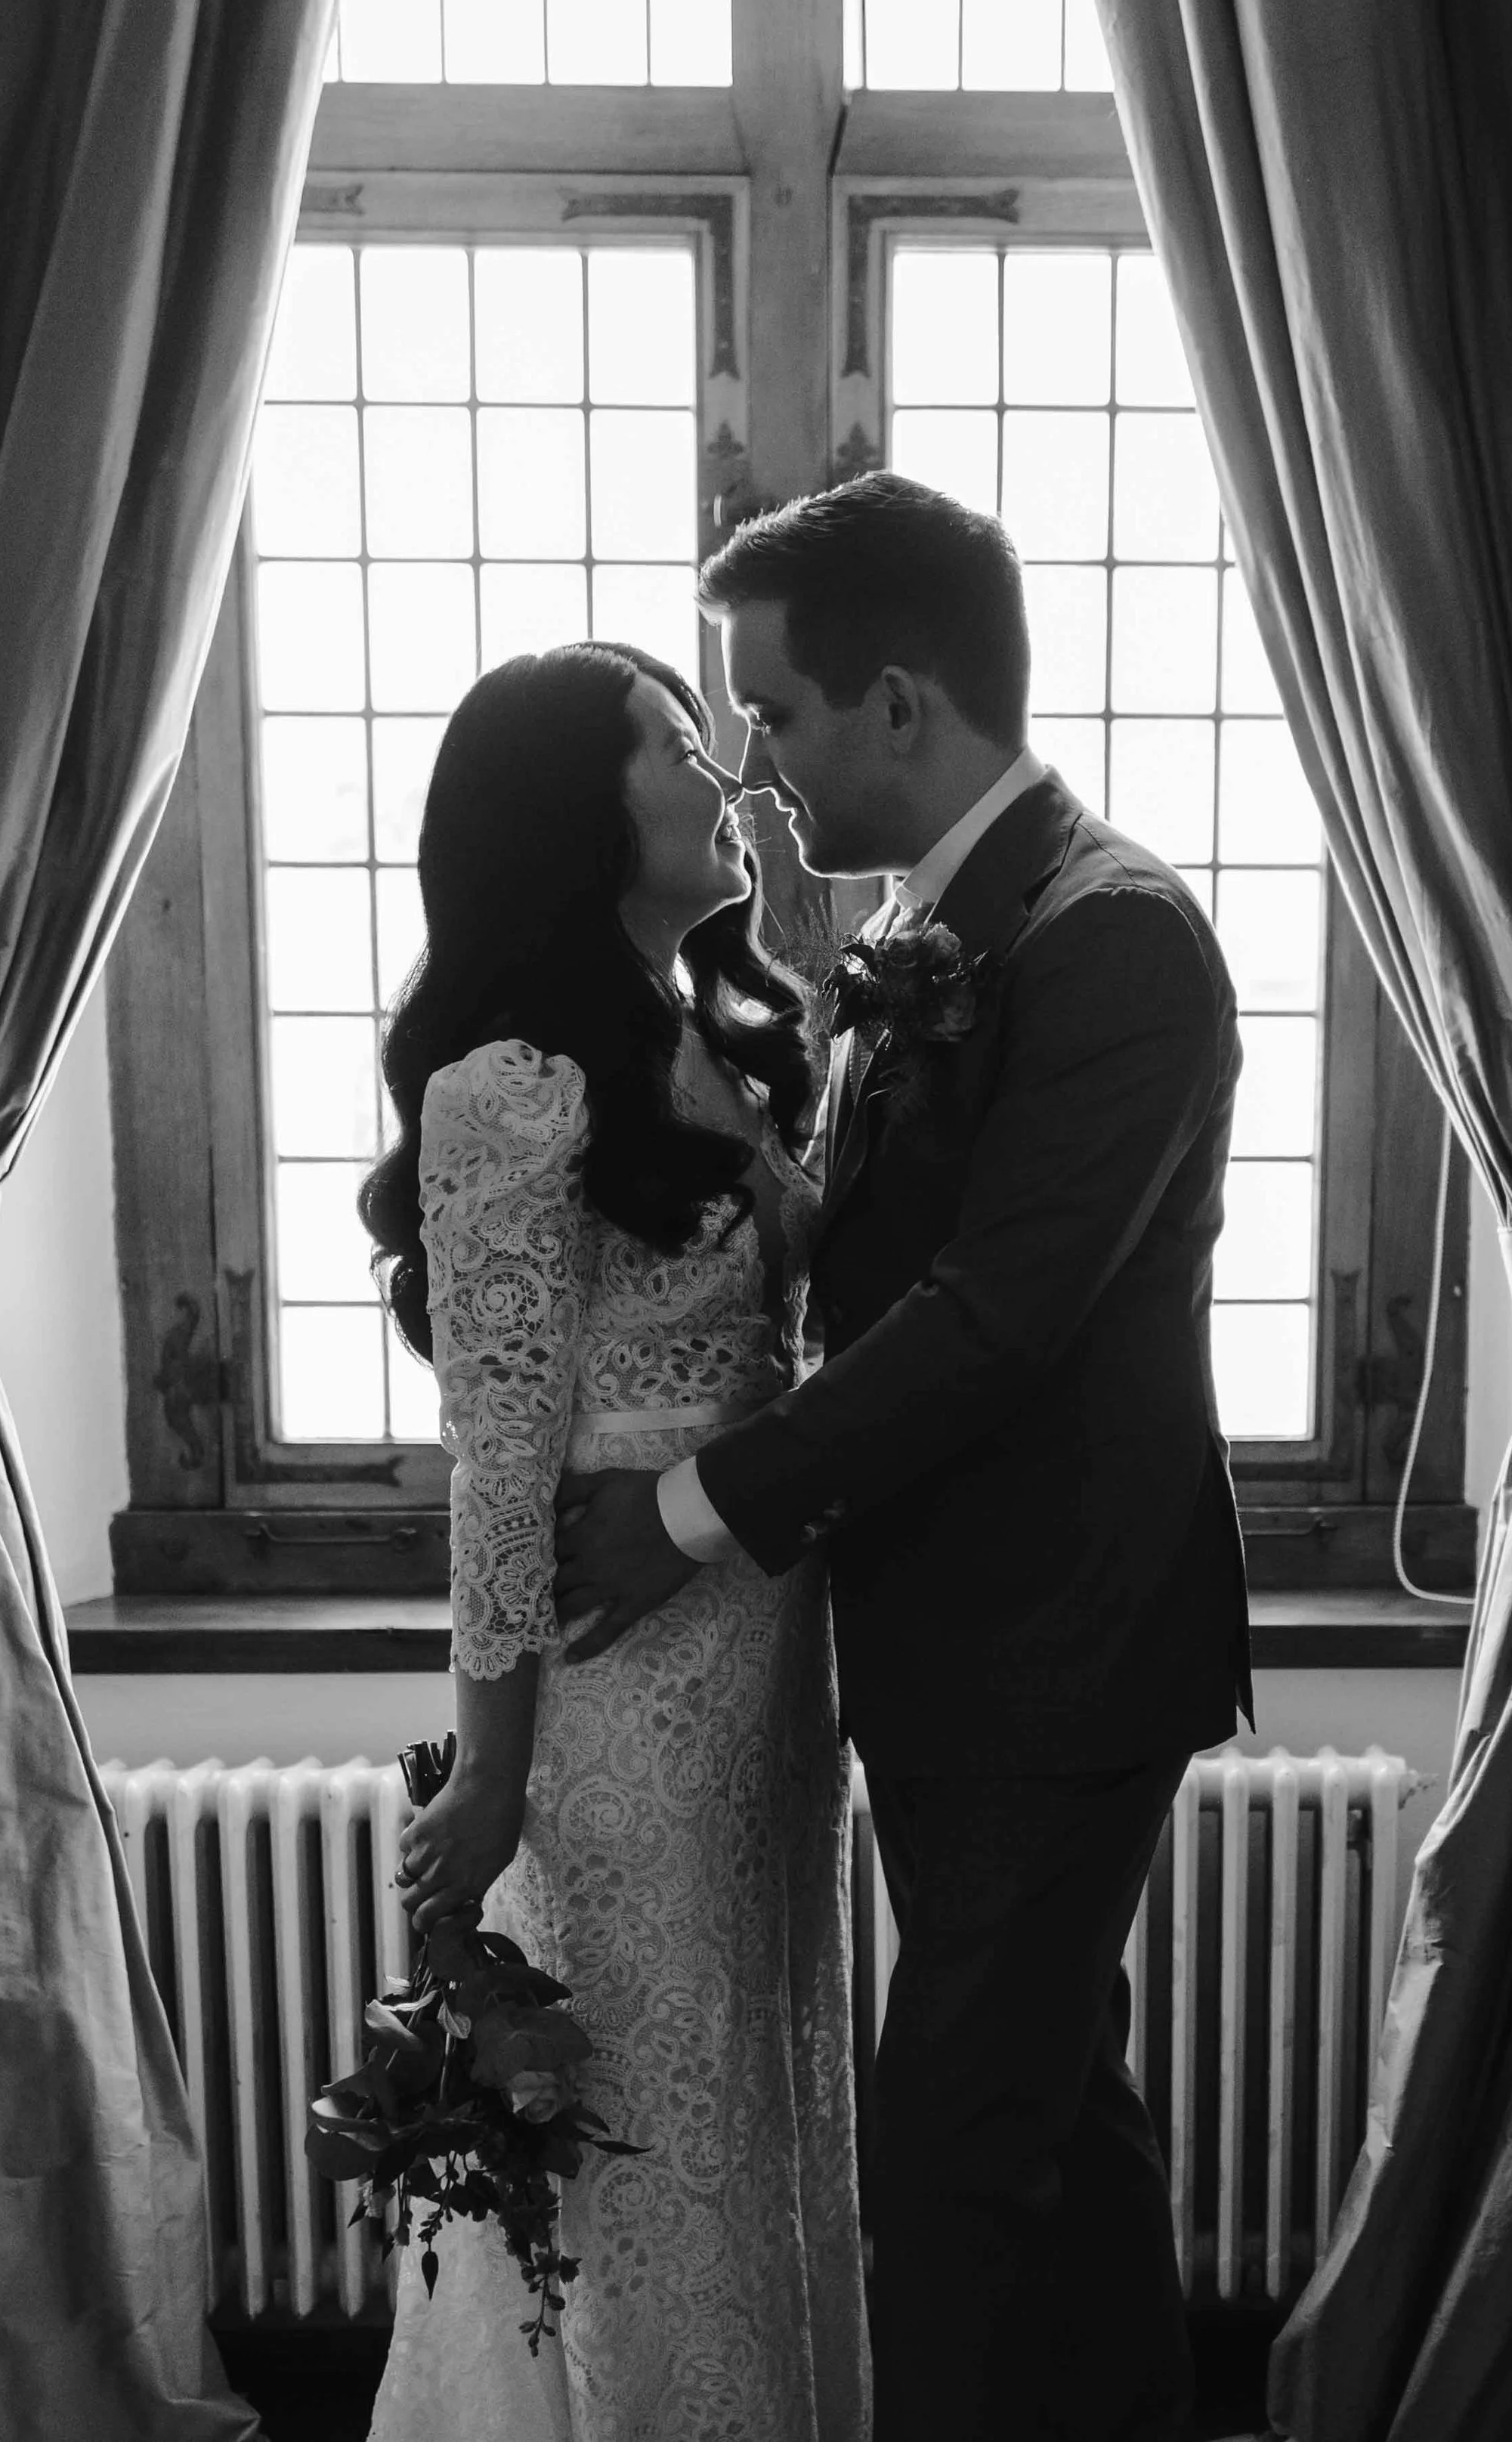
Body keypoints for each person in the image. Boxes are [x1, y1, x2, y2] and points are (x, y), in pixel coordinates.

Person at [555, 474, 1253, 2442]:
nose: (751, 771)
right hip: (946, 1659)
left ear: (895, 707)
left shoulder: (1113, 940)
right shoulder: (922, 932)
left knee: (940, 2168)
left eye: (768, 718)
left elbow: (992, 1321)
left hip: (1061, 1656)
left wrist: (685, 1513)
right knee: (1055, 2129)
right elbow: (883, 1260)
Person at [358, 642, 869, 2442]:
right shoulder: (508, 1088)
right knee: (655, 2133)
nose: (717, 767)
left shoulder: (704, 1034)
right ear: (568, 810)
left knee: (753, 2095)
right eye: (667, 741)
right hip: (620, 1691)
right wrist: (486, 1778)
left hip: (761, 1667)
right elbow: (499, 1471)